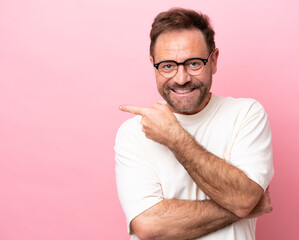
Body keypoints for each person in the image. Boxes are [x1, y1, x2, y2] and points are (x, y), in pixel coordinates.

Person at [115, 8, 274, 240]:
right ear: (153, 65)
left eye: (194, 64)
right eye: (168, 65)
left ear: (214, 60)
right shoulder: (132, 133)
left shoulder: (246, 114)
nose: (181, 79)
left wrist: (174, 137)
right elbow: (148, 226)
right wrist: (244, 208)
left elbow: (243, 199)